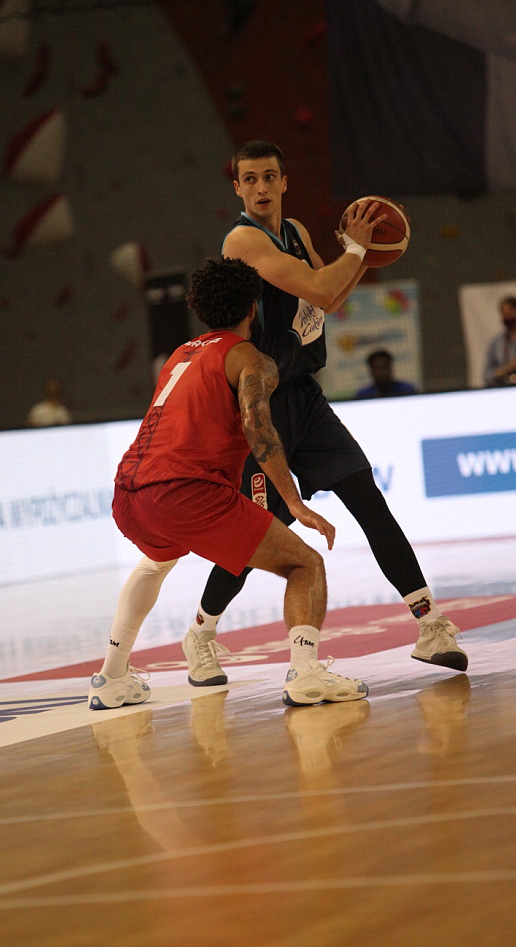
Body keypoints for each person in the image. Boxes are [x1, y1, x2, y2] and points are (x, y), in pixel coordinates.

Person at [182, 139, 468, 690]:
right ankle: (201, 632)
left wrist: (361, 253)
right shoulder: (242, 239)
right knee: (256, 538)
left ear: (284, 182)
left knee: (369, 501)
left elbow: (328, 299)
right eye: (250, 179)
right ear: (237, 188)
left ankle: (430, 625)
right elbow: (318, 284)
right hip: (260, 404)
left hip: (305, 400)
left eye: (270, 177)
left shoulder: (295, 232)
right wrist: (357, 250)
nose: (261, 187)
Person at [88, 256, 369, 711]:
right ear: (253, 307)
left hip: (130, 491)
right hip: (186, 490)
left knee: (156, 563)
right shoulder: (249, 359)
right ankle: (306, 674)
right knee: (305, 564)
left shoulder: (180, 354)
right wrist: (294, 502)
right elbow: (260, 431)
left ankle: (111, 677)